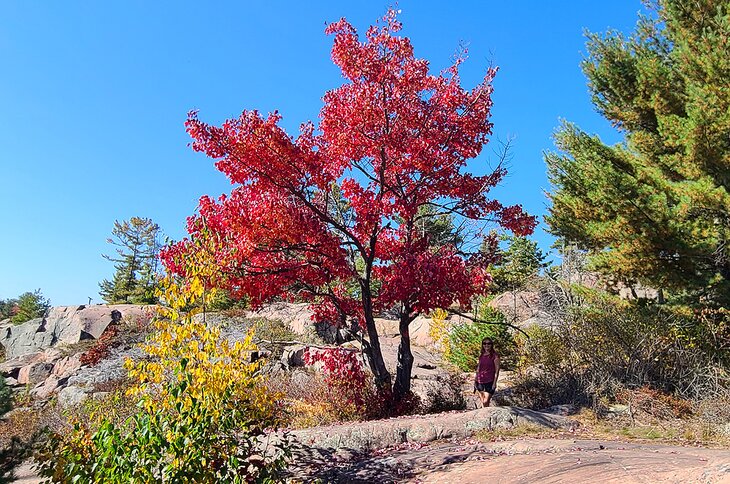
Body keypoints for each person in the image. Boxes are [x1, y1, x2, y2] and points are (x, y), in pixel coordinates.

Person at [474, 337, 500, 408]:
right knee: (482, 401)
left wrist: (494, 383)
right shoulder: (481, 355)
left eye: (489, 343)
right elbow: (478, 368)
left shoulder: (495, 356)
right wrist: (475, 379)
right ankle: (483, 417)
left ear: (491, 345)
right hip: (480, 380)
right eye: (484, 343)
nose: (486, 345)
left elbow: (497, 370)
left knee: (486, 401)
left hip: (489, 381)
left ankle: (486, 416)